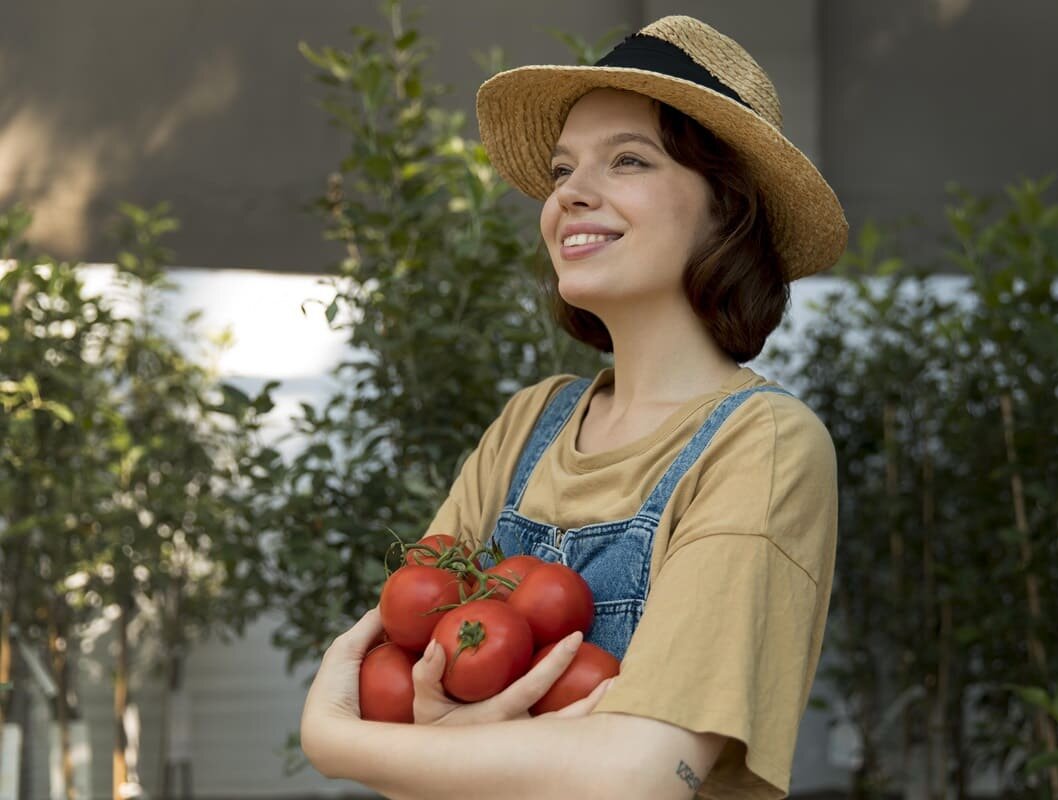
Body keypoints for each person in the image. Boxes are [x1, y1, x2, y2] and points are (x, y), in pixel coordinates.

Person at [300, 14, 847, 800]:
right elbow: (397, 679)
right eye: (561, 171)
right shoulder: (531, 422)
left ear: (728, 209)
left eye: (628, 160)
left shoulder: (763, 444)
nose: (571, 196)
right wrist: (434, 743)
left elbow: (640, 777)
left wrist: (335, 742)